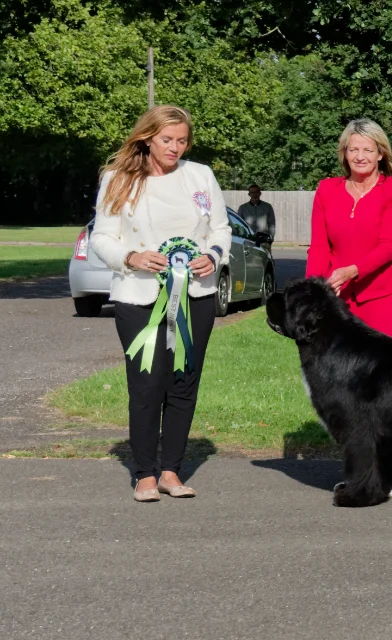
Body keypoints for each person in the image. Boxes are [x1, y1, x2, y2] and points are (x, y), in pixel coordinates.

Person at [87, 105, 231, 502]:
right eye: (167, 140)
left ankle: (171, 471)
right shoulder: (118, 179)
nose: (175, 147)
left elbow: (221, 228)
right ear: (148, 137)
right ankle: (145, 474)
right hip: (140, 297)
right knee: (148, 385)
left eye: (182, 140)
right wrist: (130, 257)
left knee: (183, 383)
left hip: (195, 295)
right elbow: (102, 237)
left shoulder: (200, 175)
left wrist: (214, 256)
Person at [306, 119, 392, 339]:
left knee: (388, 370)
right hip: (338, 296)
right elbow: (319, 247)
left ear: (380, 154)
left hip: (387, 295)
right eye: (353, 149)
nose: (360, 156)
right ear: (344, 153)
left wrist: (351, 271)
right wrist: (313, 291)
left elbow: (389, 247)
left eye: (368, 150)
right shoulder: (326, 190)